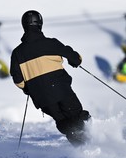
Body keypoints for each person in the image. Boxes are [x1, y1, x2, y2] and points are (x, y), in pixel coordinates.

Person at [10, 10, 90, 147]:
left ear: (24, 25)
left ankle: (82, 150)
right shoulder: (51, 43)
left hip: (42, 98)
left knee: (63, 122)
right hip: (61, 89)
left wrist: (28, 87)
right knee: (77, 116)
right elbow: (76, 59)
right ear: (40, 24)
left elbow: (18, 80)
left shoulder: (17, 53)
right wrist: (75, 61)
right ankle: (93, 144)